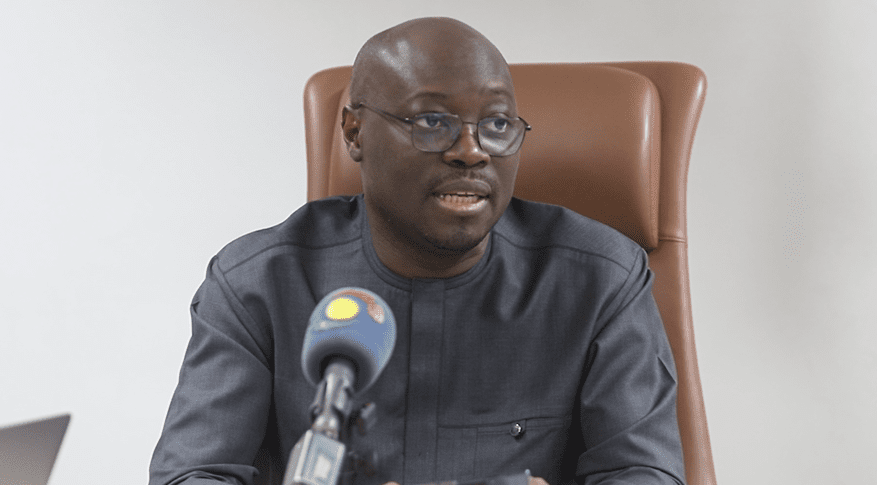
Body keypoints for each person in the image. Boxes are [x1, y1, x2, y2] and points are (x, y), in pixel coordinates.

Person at [149, 17, 685, 485]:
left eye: (497, 125)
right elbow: (192, 475)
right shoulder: (258, 285)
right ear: (354, 132)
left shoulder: (600, 281)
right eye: (432, 122)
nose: (471, 152)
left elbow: (644, 474)